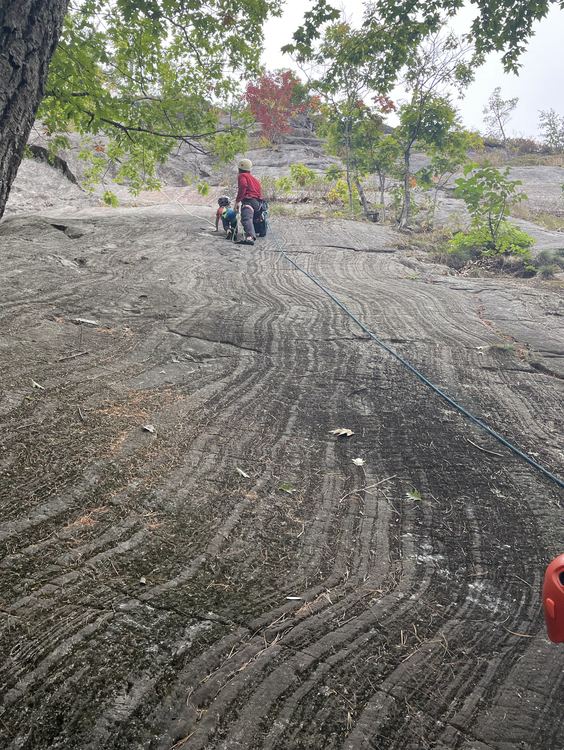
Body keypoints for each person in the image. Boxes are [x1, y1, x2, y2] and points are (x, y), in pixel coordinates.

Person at [234, 158, 263, 245]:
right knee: (253, 218)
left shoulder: (242, 176)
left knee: (246, 217)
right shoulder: (255, 180)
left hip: (249, 201)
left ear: (239, 169)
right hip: (258, 204)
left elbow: (243, 186)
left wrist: (238, 201)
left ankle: (250, 237)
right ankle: (259, 229)